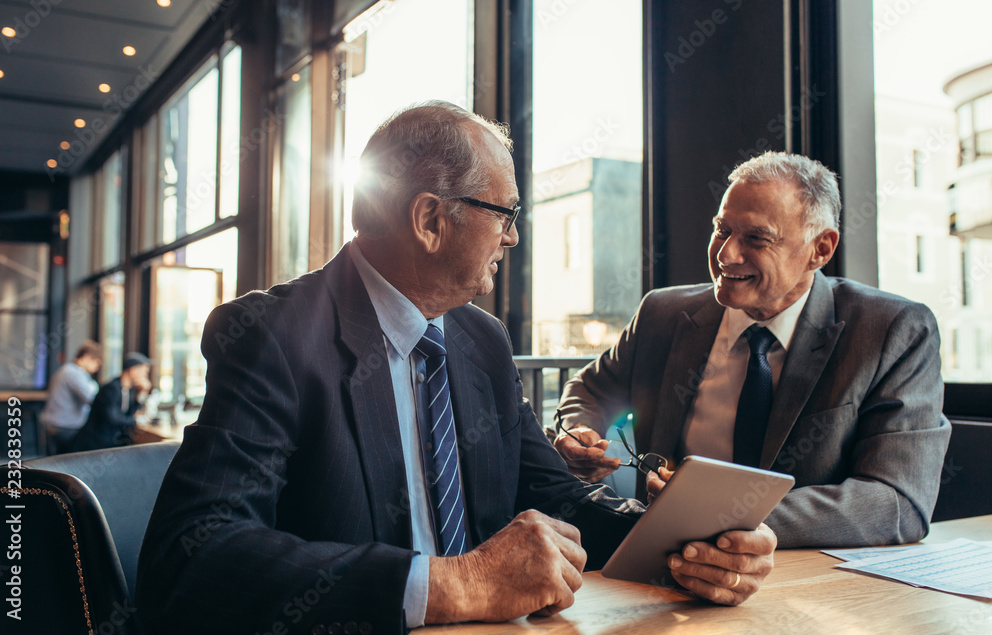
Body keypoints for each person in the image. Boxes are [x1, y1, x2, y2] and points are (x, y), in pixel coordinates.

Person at [136, 102, 776, 634]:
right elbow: (192, 556)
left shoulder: (481, 340)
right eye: (505, 214)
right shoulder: (273, 336)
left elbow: (553, 495)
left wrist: (687, 549)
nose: (513, 238)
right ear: (431, 219)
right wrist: (454, 585)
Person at [552, 151, 951, 549]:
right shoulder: (663, 313)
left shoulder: (892, 330)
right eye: (722, 230)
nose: (726, 255)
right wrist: (577, 432)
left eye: (756, 238)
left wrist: (720, 512)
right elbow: (591, 389)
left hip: (806, 580)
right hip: (663, 565)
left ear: (821, 249)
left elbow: (897, 501)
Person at [68, 352, 153, 452]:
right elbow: (113, 418)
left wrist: (142, 393)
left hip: (111, 442)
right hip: (97, 444)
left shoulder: (128, 390)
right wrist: (137, 421)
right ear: (133, 370)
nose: (146, 376)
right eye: (144, 372)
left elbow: (129, 415)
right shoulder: (111, 388)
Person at [40, 340, 103, 453]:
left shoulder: (70, 371)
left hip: (60, 423)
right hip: (63, 426)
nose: (96, 368)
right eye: (96, 363)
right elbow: (90, 398)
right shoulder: (73, 373)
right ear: (86, 357)